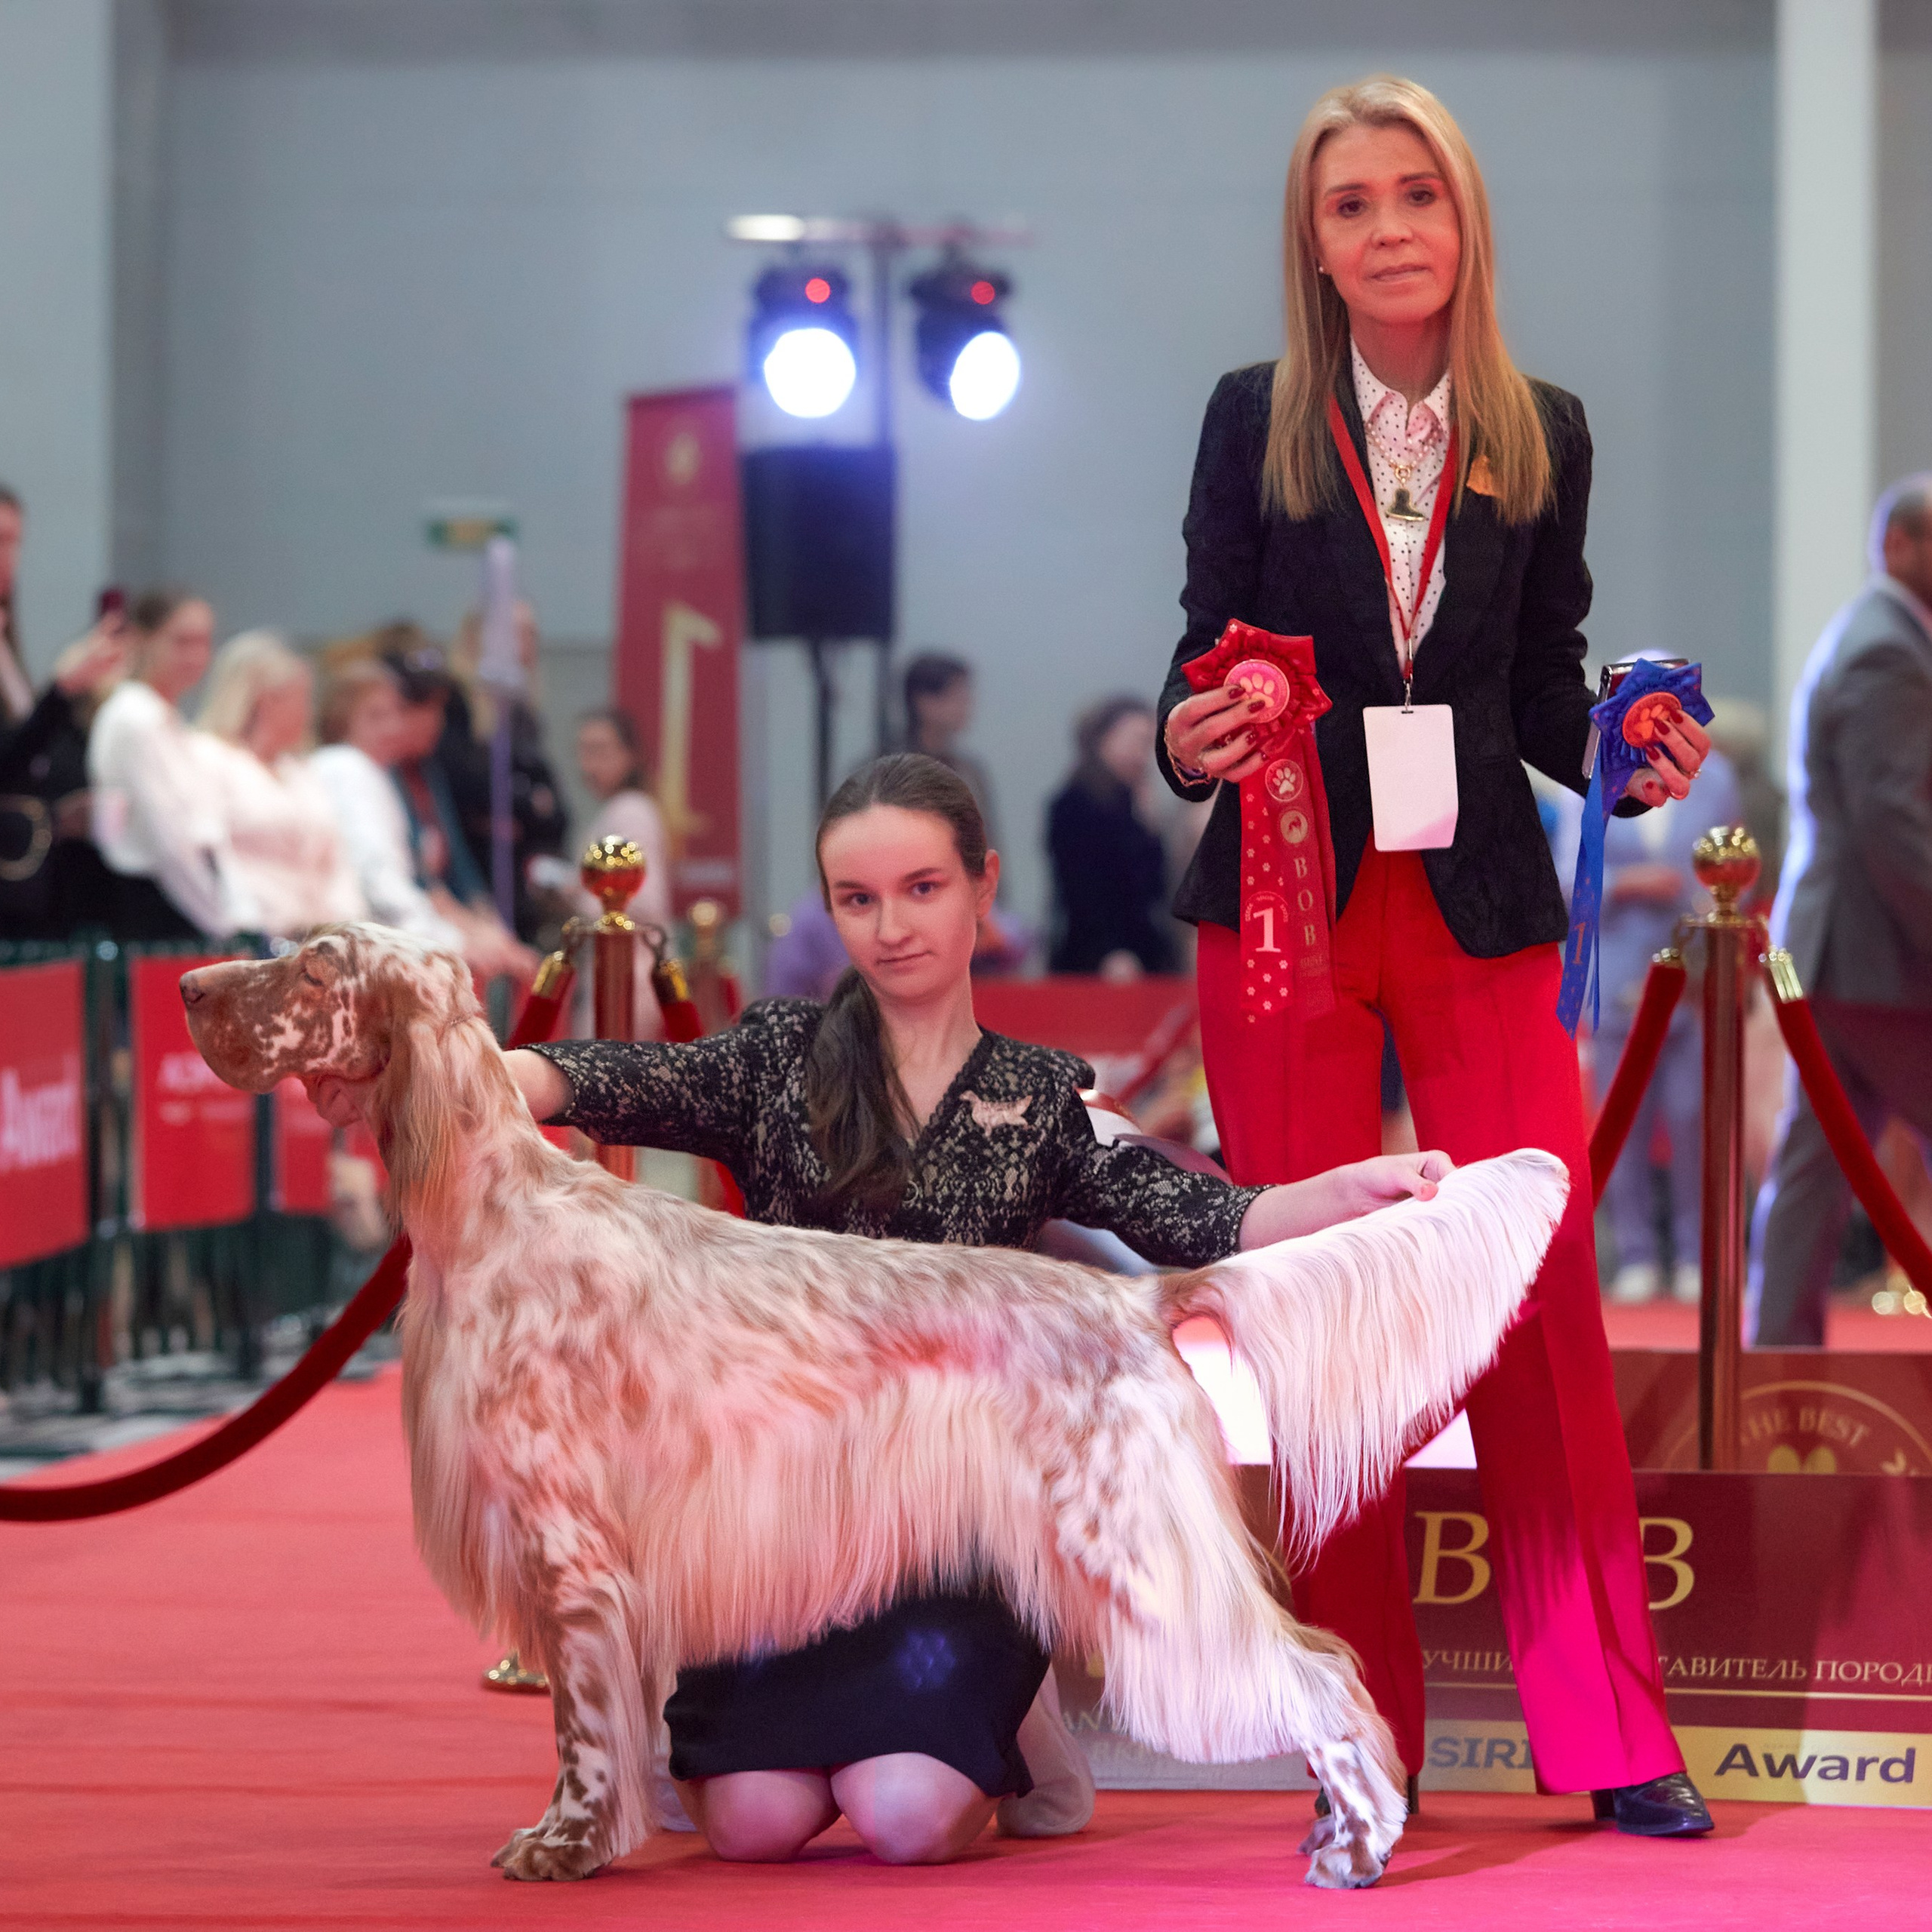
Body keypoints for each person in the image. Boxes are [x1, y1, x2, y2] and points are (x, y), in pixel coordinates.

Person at [502, 752, 1451, 1866]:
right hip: (783, 1545)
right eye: (857, 900)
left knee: (907, 1817)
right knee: (753, 1826)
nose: (891, 926)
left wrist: (1340, 1194)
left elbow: (1192, 1215)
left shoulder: (1044, 1094)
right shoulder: (774, 1060)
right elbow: (587, 1077)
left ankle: (1049, 1729)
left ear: (983, 887)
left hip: (960, 1540)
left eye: (923, 888)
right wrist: (453, 1062)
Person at [1155, 76, 1714, 1835]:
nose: (1385, 226)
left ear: (1461, 222)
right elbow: (1190, 665)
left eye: (1415, 195)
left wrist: (1625, 750)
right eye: (1349, 204)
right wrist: (1199, 738)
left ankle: (1609, 1730)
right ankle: (1358, 1737)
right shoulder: (1248, 417)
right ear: (1309, 246)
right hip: (1279, 903)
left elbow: (1544, 688)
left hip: (1475, 902)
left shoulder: (1535, 428)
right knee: (1326, 1326)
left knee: (1535, 1303)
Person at [1748, 475, 1932, 1346]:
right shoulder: (1887, 650)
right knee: (1813, 1163)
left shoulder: (1879, 637)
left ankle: (1772, 1363)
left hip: (1844, 953)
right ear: (1898, 544)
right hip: (1877, 957)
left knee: (1815, 1166)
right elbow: (1893, 821)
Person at [1595, 744, 1741, 1306]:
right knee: (1621, 1123)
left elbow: (1737, 869)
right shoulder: (1591, 770)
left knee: (1692, 1118)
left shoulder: (1718, 777)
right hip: (1616, 975)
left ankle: (1694, 1254)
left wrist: (1717, 907)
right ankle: (1634, 1253)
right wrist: (1629, 882)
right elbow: (1565, 873)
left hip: (1696, 971)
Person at [311, 662, 512, 974]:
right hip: (361, 941)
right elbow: (378, 877)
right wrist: (449, 943)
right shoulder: (344, 767)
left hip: (383, 936)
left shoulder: (379, 773)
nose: (392, 727)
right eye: (375, 716)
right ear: (341, 719)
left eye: (396, 713)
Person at [0, 482, 128, 937]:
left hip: (36, 878)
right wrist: (62, 689)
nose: (8, 557)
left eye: (14, 541)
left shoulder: (7, 638)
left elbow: (27, 756)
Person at [87, 587, 248, 941]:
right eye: (182, 641)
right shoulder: (135, 717)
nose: (195, 655)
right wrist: (220, 924)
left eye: (203, 642)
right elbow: (168, 840)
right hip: (152, 904)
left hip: (180, 899)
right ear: (143, 640)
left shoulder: (168, 720)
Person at [195, 629, 368, 937]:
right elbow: (216, 856)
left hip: (323, 938)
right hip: (256, 936)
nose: (308, 712)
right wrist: (255, 925)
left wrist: (348, 924)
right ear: (265, 700)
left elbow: (336, 861)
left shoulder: (301, 771)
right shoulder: (208, 759)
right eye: (301, 698)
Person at [1046, 696, 1177, 977]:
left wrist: (1151, 831)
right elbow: (1079, 888)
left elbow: (1154, 888)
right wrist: (1107, 951)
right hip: (1096, 954)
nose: (1142, 755)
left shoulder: (1136, 802)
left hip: (1143, 947)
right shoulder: (1073, 803)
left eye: (1149, 745)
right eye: (1136, 741)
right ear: (1103, 739)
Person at [571, 705, 672, 1033]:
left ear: (629, 755)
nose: (589, 764)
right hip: (610, 969)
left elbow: (645, 899)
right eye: (584, 752)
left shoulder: (631, 812)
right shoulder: (615, 811)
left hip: (629, 972)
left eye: (600, 751)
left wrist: (577, 893)